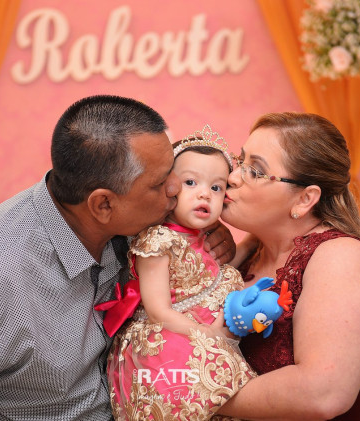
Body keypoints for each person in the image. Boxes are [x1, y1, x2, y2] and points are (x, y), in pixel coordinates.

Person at [0, 95, 236, 420]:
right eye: (160, 184)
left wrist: (205, 234)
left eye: (173, 172)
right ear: (103, 204)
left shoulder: (134, 226)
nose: (176, 188)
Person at [216, 112, 360, 420]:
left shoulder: (342, 258)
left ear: (304, 199)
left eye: (255, 171)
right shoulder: (248, 254)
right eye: (239, 161)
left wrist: (191, 396)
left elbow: (321, 393)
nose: (232, 178)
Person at [103, 125, 255, 420]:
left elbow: (211, 276)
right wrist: (207, 335)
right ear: (168, 188)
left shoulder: (200, 237)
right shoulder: (158, 241)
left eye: (216, 187)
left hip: (199, 333)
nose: (204, 194)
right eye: (190, 182)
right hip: (169, 338)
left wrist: (252, 242)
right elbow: (158, 310)